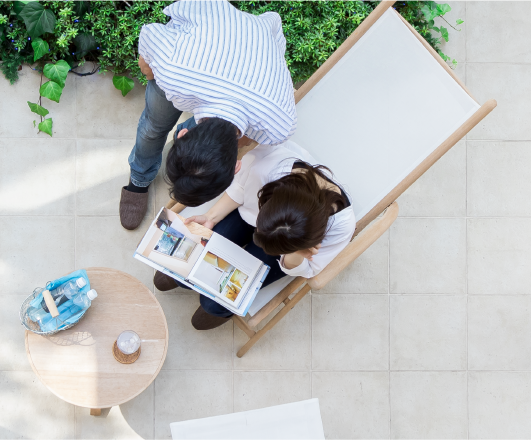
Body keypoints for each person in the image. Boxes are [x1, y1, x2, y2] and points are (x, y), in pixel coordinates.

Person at [117, 0, 297, 230]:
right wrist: (152, 72)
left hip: (257, 40)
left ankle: (142, 175)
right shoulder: (174, 71)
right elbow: (150, 35)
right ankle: (139, 178)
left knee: (177, 129)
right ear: (235, 168)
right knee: (154, 126)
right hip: (205, 24)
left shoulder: (277, 124)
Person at [156, 141, 355, 330]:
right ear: (270, 197)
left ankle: (219, 308)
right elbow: (242, 188)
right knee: (188, 264)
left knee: (213, 304)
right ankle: (189, 278)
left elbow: (309, 268)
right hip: (257, 215)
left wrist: (296, 253)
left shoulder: (341, 227)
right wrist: (211, 216)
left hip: (290, 249)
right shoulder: (268, 164)